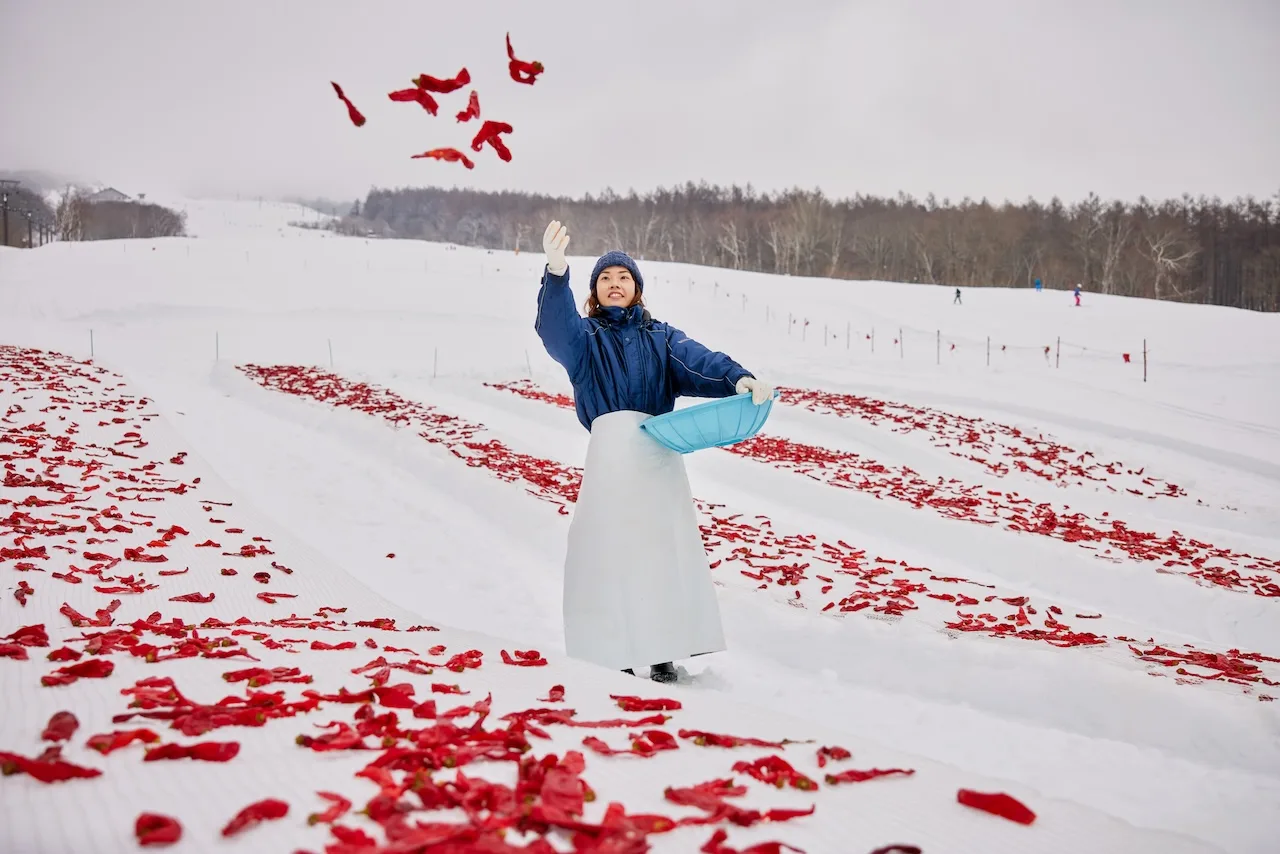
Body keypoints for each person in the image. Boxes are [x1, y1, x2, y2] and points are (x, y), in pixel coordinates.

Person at [534, 221, 772, 684]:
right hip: (610, 456)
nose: (615, 284)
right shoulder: (585, 341)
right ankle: (612, 650)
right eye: (605, 278)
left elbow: (698, 361)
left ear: (637, 289)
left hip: (657, 451)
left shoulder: (660, 337)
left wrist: (738, 379)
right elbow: (555, 332)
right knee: (607, 551)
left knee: (662, 551)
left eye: (623, 277)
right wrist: (556, 273)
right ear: (595, 291)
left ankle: (663, 651)